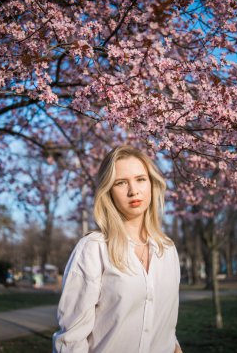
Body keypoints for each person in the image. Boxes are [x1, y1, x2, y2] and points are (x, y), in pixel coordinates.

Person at [53, 145, 183, 353]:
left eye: (141, 179)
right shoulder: (93, 249)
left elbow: (166, 326)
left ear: (152, 184)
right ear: (108, 191)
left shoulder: (167, 249)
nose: (134, 191)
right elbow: (72, 339)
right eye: (121, 183)